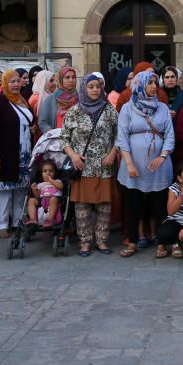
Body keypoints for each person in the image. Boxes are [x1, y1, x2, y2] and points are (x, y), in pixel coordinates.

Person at [116, 71, 174, 258]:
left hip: (159, 165)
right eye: (150, 83)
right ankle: (133, 241)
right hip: (133, 164)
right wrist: (129, 163)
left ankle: (162, 243)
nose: (154, 86)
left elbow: (170, 136)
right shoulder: (127, 108)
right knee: (133, 203)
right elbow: (122, 137)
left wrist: (162, 156)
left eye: (155, 82)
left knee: (159, 205)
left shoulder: (163, 108)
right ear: (139, 85)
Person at [62, 72, 119, 256]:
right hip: (83, 166)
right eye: (91, 86)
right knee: (82, 206)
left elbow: (120, 133)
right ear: (84, 89)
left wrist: (113, 152)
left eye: (98, 86)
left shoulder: (109, 110)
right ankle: (84, 242)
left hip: (105, 166)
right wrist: (73, 156)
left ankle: (102, 241)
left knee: (104, 205)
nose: (95, 90)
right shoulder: (75, 111)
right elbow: (64, 138)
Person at [0, 70, 34, 238]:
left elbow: (30, 121)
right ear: (5, 83)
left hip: (24, 152)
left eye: (18, 81)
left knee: (21, 189)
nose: (16, 84)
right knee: (5, 190)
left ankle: (17, 222)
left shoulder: (22, 100)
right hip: (6, 153)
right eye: (12, 81)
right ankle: (1, 225)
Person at [39, 66, 77, 132]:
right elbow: (43, 122)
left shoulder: (79, 98)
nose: (71, 80)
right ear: (61, 80)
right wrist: (52, 133)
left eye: (73, 77)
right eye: (67, 77)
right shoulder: (51, 99)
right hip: (57, 139)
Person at [26, 160, 63, 228]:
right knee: (31, 200)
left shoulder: (57, 181)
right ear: (42, 174)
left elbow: (61, 186)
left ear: (55, 173)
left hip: (54, 201)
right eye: (45, 171)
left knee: (53, 199)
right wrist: (34, 189)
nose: (48, 173)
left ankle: (50, 220)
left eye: (51, 171)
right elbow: (37, 195)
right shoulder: (40, 184)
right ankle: (33, 219)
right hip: (43, 200)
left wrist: (51, 181)